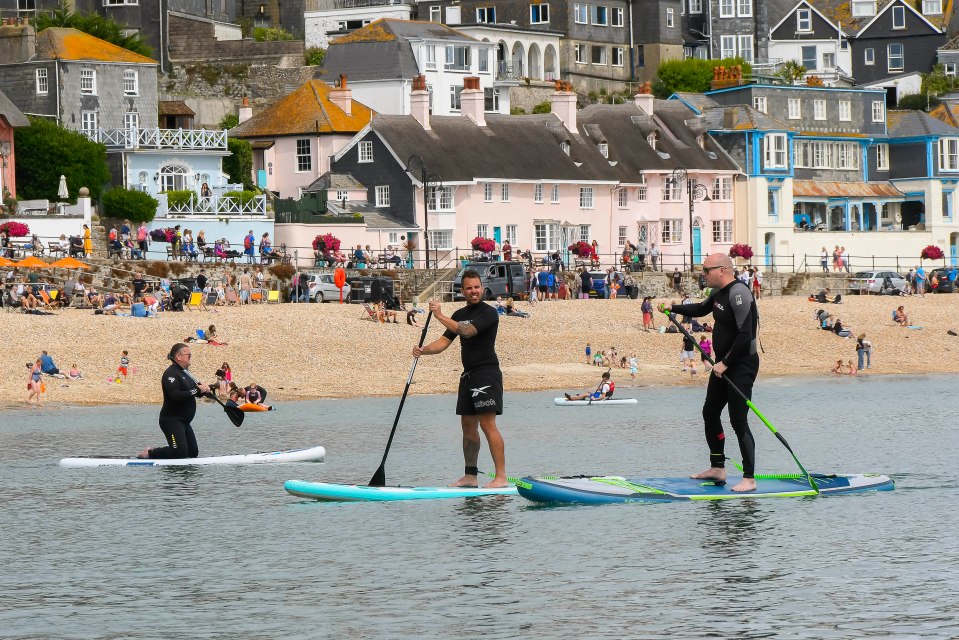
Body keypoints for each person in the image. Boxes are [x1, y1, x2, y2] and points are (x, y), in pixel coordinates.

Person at [661, 253, 759, 493]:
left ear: (723, 270)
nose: (702, 275)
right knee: (710, 412)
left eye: (706, 270)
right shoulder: (717, 294)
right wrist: (671, 307)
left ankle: (749, 478)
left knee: (738, 419)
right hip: (722, 365)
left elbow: (746, 333)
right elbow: (700, 309)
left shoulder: (739, 294)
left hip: (741, 364)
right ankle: (718, 468)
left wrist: (725, 362)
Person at [412, 269, 508, 489]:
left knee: (487, 424)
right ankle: (470, 476)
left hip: (487, 374)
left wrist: (440, 316)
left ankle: (501, 477)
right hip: (468, 377)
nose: (474, 291)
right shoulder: (458, 314)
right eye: (469, 288)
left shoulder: (489, 313)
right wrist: (423, 350)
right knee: (467, 426)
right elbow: (444, 342)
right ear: (463, 291)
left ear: (482, 288)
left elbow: (467, 331)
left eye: (477, 287)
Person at [138, 343, 210, 459]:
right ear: (178, 356)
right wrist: (197, 390)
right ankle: (150, 453)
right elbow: (175, 395)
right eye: (189, 355)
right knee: (179, 453)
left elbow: (193, 392)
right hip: (171, 421)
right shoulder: (170, 373)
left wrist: (204, 391)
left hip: (185, 422)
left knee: (192, 453)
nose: (190, 357)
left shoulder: (186, 374)